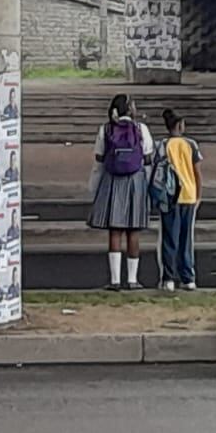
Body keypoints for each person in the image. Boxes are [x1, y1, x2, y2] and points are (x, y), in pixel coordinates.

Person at [88, 93, 154, 291]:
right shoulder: (141, 129)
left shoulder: (106, 129)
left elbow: (99, 159)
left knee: (115, 230)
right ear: (130, 109)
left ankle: (115, 280)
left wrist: (94, 186)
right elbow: (148, 157)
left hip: (112, 179)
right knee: (133, 230)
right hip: (136, 180)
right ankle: (132, 280)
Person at [155, 109, 203, 292]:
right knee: (186, 238)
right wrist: (199, 194)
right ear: (179, 125)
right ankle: (188, 277)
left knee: (169, 238)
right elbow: (197, 172)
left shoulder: (162, 145)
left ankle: (168, 278)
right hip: (188, 194)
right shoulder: (191, 144)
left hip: (169, 196)